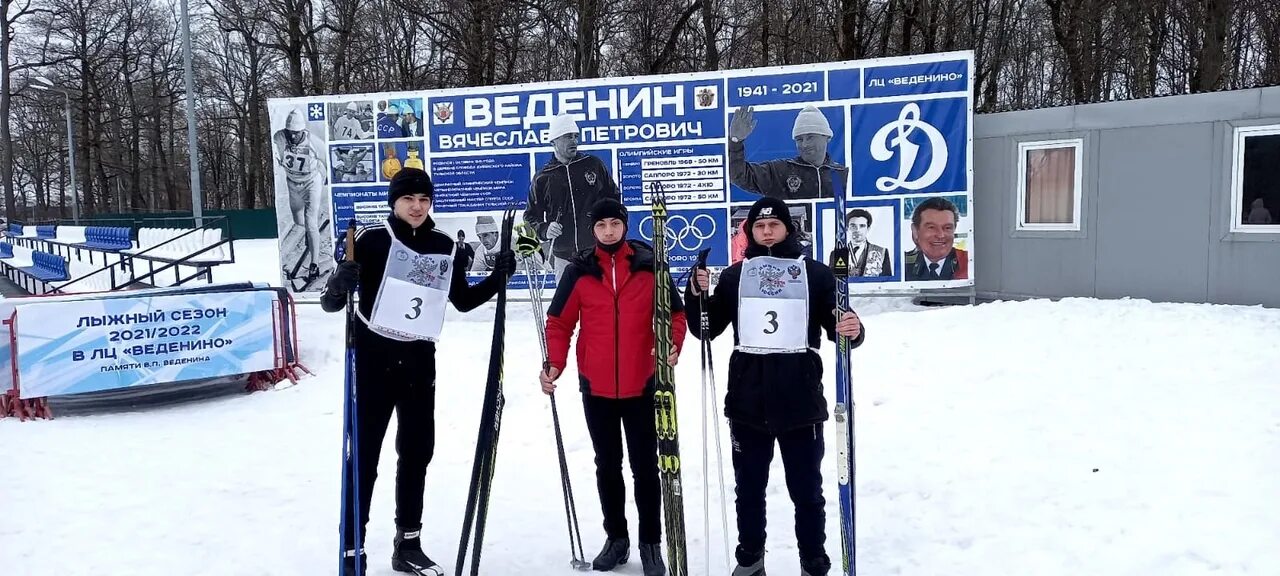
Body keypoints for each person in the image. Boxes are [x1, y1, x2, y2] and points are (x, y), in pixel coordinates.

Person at [321, 167, 517, 576]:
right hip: (373, 363)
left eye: (424, 200)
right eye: (409, 199)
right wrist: (340, 283)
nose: (416, 207)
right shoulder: (370, 240)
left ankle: (408, 542)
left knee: (416, 453)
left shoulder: (443, 244)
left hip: (417, 363)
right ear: (395, 201)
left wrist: (499, 277)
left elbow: (461, 300)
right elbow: (330, 304)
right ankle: (352, 545)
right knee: (365, 457)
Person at [684, 196, 865, 576]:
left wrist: (853, 327)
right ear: (750, 230)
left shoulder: (814, 274)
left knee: (807, 492)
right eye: (759, 226)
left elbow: (839, 325)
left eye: (774, 225)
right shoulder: (736, 275)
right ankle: (750, 559)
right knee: (749, 491)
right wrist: (695, 294)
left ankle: (813, 560)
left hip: (800, 403)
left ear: (787, 228)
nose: (766, 232)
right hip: (748, 404)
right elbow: (705, 329)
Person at [538, 198, 685, 576]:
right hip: (597, 387)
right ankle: (616, 539)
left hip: (643, 384)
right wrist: (555, 363)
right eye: (601, 225)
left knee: (646, 468)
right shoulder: (580, 271)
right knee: (607, 465)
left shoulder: (650, 265)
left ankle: (650, 543)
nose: (608, 231)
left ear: (624, 226)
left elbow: (676, 314)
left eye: (614, 224)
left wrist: (672, 344)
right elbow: (558, 322)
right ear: (593, 230)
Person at [524, 113, 620, 280]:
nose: (574, 141)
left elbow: (614, 199)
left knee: (600, 303)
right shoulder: (543, 177)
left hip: (596, 253)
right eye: (568, 136)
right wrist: (545, 229)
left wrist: (605, 223)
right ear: (554, 140)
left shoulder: (593, 164)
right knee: (567, 304)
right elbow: (530, 217)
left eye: (576, 136)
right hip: (563, 258)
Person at [728, 105, 849, 200]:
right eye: (799, 139)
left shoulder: (841, 175)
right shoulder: (779, 171)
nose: (805, 144)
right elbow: (738, 176)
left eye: (810, 137)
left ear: (827, 137)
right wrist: (736, 141)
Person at [272, 107, 332, 280]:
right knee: (299, 220)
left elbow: (325, 158)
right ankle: (311, 234)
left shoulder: (313, 141)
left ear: (302, 131)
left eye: (296, 133)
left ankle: (314, 264)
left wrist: (327, 176)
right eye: (290, 132)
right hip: (292, 183)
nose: (293, 136)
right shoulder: (280, 137)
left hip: (311, 182)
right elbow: (276, 149)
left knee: (310, 221)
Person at [904, 197, 968, 281]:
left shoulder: (967, 261)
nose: (940, 235)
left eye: (947, 228)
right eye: (931, 227)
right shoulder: (902, 264)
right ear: (915, 231)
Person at [835, 208, 893, 277]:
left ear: (868, 229)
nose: (857, 230)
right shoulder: (838, 253)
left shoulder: (881, 252)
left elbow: (887, 282)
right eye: (853, 226)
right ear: (847, 228)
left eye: (862, 226)